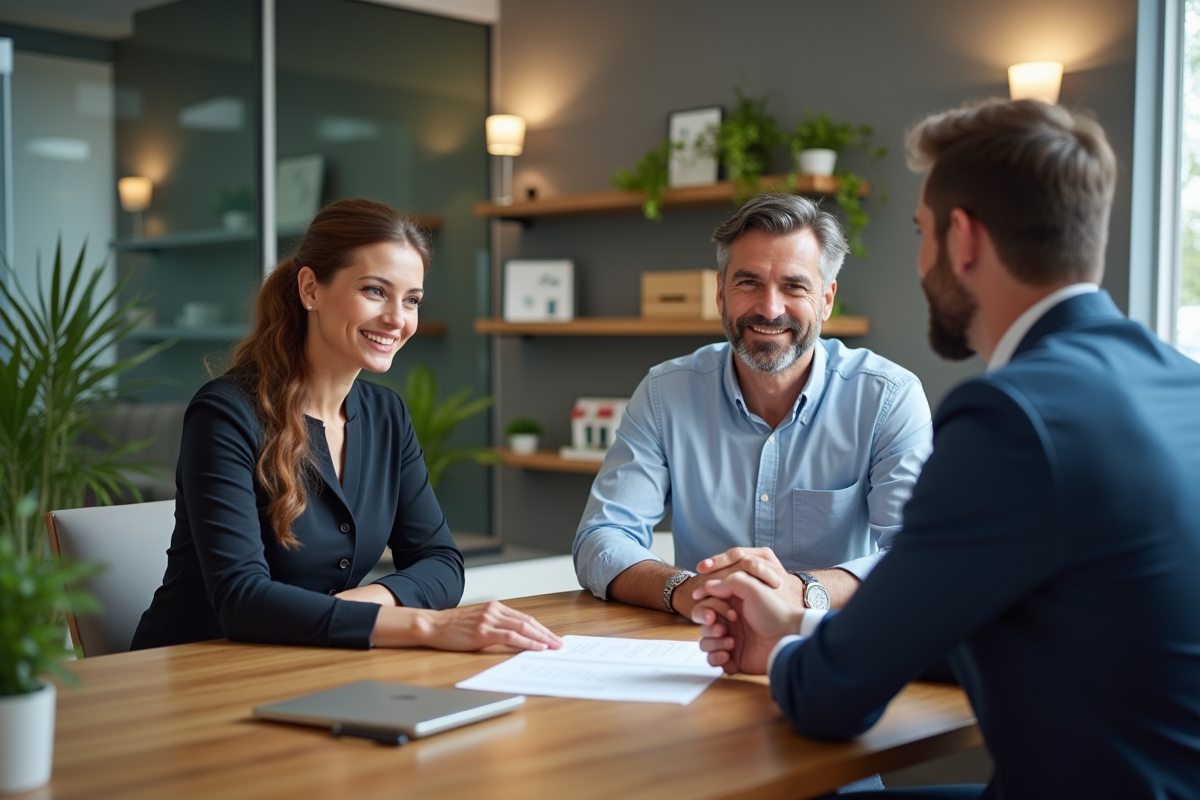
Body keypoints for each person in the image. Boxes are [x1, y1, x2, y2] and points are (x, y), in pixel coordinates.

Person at [694, 99, 1200, 800]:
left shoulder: (1013, 420)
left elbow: (832, 699)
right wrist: (802, 625)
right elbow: (1018, 636)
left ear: (962, 240)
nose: (923, 258)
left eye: (921, 231)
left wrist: (786, 649)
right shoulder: (1184, 385)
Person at [132, 198, 561, 654]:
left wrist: (363, 603)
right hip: (196, 673)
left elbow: (441, 563)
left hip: (313, 661)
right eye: (375, 291)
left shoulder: (386, 415)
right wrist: (424, 626)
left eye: (411, 300)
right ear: (310, 289)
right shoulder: (224, 414)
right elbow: (242, 600)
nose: (397, 319)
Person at [573, 193, 933, 621]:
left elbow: (916, 552)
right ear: (721, 294)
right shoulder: (664, 392)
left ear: (827, 299)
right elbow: (602, 536)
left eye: (794, 286)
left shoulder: (887, 397)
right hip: (701, 643)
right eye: (749, 283)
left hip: (834, 645)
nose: (769, 308)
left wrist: (802, 591)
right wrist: (683, 589)